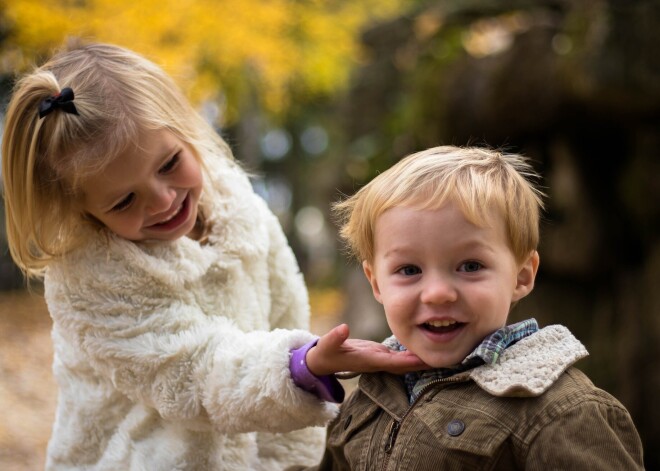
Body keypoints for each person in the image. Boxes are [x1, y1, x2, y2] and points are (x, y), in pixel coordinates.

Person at [1, 42, 426, 470]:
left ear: (187, 130)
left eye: (169, 163)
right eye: (125, 201)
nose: (163, 201)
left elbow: (284, 308)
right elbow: (191, 375)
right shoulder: (90, 278)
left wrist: (290, 454)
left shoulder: (237, 208)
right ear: (83, 211)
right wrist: (300, 367)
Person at [291, 146, 645, 470]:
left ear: (521, 277)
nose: (438, 294)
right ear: (377, 283)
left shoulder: (560, 411)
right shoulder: (371, 394)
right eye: (409, 270)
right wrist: (301, 369)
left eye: (470, 266)